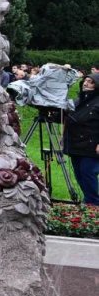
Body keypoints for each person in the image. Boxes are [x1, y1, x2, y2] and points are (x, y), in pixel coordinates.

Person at [65, 75, 99, 206]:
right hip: (75, 144)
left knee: (88, 173)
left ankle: (94, 204)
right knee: (80, 174)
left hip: (91, 145)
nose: (86, 83)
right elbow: (67, 118)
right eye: (85, 81)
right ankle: (89, 201)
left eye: (91, 82)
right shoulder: (78, 100)